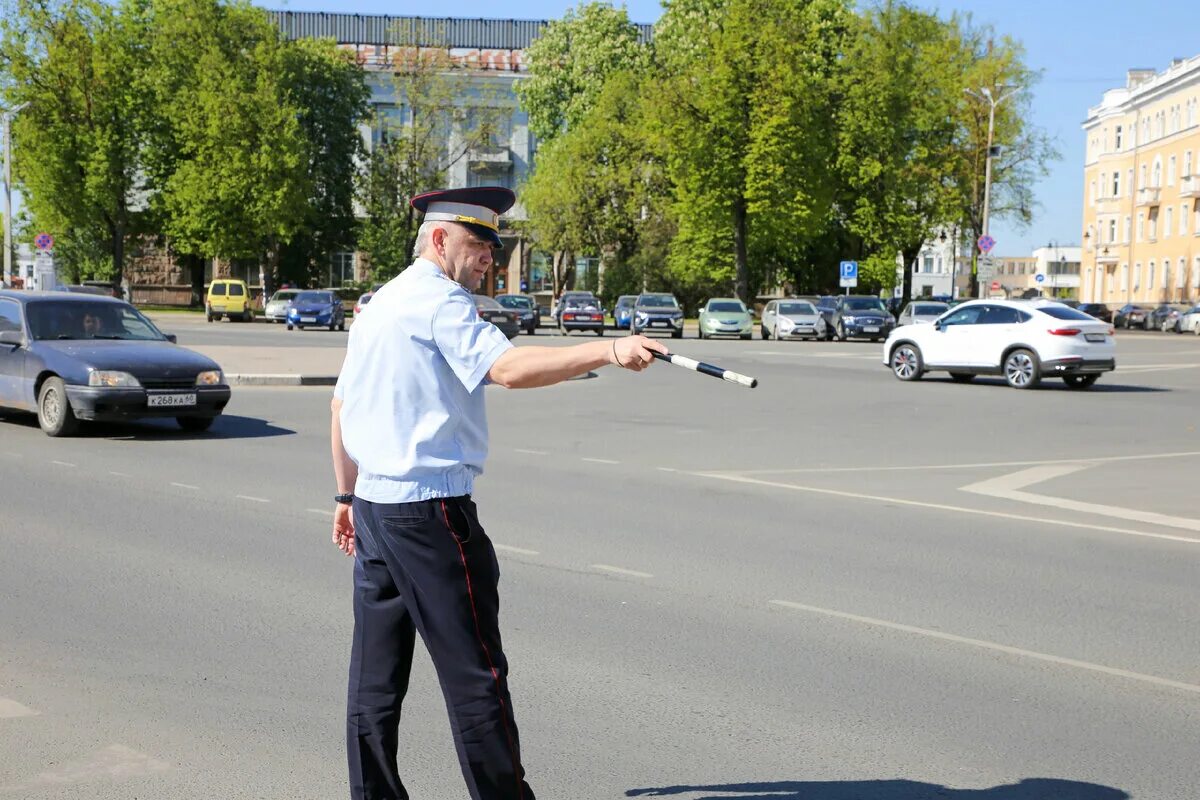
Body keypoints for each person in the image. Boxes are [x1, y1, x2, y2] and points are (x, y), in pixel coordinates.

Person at [329, 186, 666, 800]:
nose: (489, 256)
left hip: (378, 509)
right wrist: (611, 349)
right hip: (430, 514)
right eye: (479, 243)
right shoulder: (439, 302)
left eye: (493, 246)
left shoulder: (379, 304)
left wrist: (347, 498)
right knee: (476, 676)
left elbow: (341, 405)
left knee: (373, 680)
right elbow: (508, 369)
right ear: (439, 240)